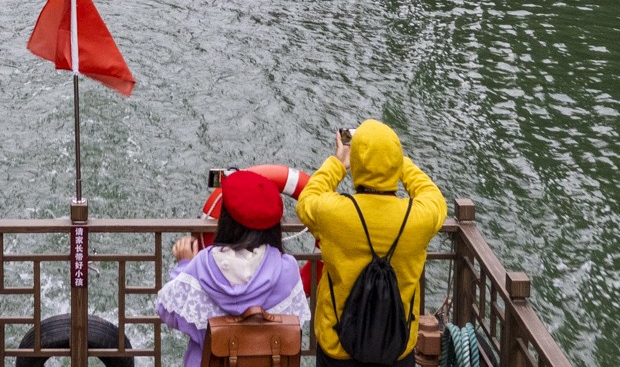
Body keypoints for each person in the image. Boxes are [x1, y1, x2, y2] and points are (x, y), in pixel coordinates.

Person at [295, 121, 447, 367]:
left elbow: (307, 198)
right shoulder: (419, 218)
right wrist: (398, 163)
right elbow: (432, 195)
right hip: (396, 347)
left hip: (338, 348)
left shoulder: (334, 214)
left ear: (357, 164)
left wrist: (338, 162)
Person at [155, 169, 309, 367]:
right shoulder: (287, 269)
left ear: (225, 221)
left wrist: (184, 265)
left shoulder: (202, 265)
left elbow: (167, 312)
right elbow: (296, 320)